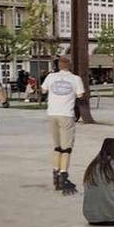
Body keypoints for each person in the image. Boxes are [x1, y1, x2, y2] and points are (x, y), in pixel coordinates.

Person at [40, 56, 85, 195]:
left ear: (58, 65)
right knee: (66, 148)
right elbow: (80, 95)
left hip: (52, 113)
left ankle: (55, 172)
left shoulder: (50, 77)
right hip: (66, 114)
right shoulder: (75, 79)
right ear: (69, 66)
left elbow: (43, 90)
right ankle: (63, 175)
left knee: (57, 146)